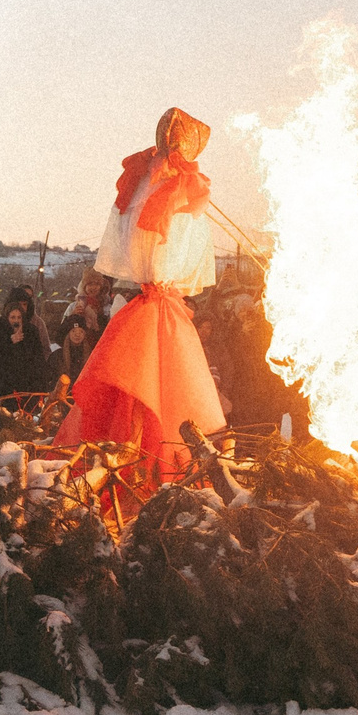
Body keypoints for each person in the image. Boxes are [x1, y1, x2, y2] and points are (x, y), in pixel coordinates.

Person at [60, 107, 226, 479]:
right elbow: (172, 254)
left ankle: (133, 464)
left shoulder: (147, 180)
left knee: (137, 390)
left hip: (150, 305)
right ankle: (146, 469)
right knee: (156, 389)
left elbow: (139, 239)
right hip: (160, 307)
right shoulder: (179, 187)